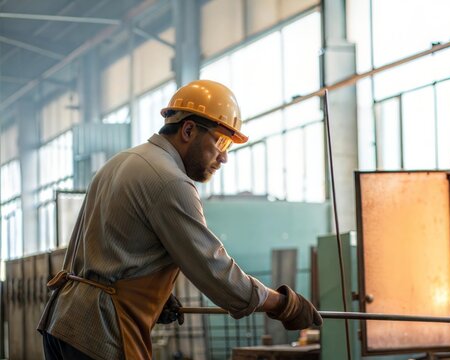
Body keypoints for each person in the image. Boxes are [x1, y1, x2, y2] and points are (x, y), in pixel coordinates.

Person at [38, 80, 322, 360]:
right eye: (220, 141)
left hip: (62, 323)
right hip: (100, 334)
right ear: (188, 130)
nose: (223, 157)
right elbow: (219, 276)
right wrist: (284, 304)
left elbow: (109, 256)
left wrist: (150, 295)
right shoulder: (171, 182)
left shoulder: (119, 163)